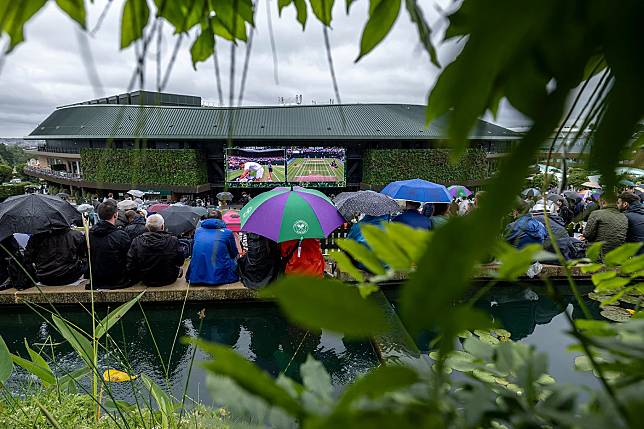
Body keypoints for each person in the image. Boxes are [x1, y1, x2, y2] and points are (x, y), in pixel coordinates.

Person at [127, 214, 185, 287]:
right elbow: (180, 261)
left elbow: (131, 263)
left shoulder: (137, 241)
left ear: (147, 227)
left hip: (146, 279)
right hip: (169, 278)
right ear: (162, 226)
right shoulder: (173, 240)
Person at [87, 201, 133, 289]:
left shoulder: (90, 234)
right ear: (115, 215)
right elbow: (129, 257)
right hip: (118, 280)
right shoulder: (121, 235)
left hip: (97, 280)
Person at [187, 210, 239, 285]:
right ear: (221, 219)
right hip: (219, 276)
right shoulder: (228, 232)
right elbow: (234, 253)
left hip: (195, 276)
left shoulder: (198, 231)